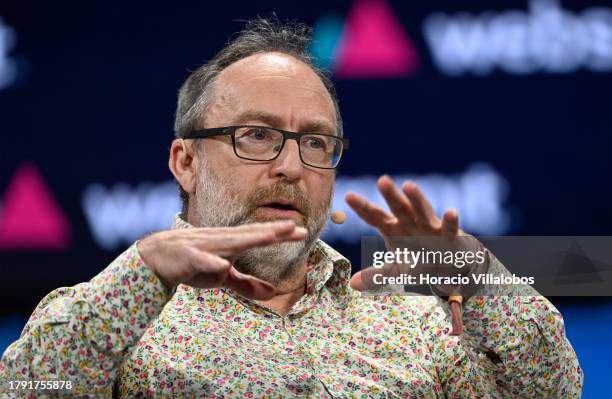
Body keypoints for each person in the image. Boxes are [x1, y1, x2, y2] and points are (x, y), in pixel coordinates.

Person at [0, 18, 582, 398]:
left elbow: (554, 392)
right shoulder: (121, 318)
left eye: (315, 143)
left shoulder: (414, 323)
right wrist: (141, 275)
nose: (290, 166)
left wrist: (482, 281)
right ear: (185, 161)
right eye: (257, 135)